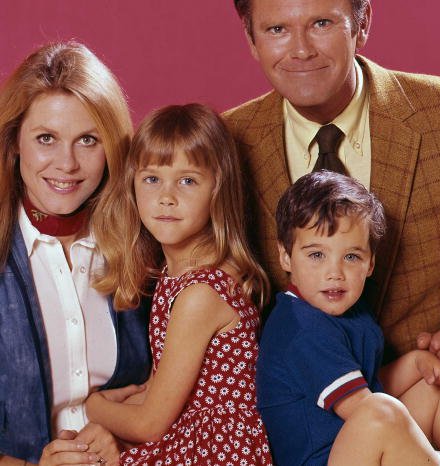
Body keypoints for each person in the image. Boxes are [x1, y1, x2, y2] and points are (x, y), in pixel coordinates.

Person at [223, 0, 440, 375]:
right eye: (277, 29)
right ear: (251, 37)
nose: (300, 50)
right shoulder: (222, 145)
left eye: (322, 23)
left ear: (363, 22)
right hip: (296, 432)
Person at [85, 104, 273, 466]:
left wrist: (92, 405)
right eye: (152, 179)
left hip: (214, 451)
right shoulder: (176, 277)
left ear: (218, 188)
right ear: (133, 185)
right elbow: (160, 388)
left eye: (187, 180)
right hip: (188, 435)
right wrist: (129, 399)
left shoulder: (201, 293)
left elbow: (150, 425)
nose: (166, 196)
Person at [0, 42, 151, 466]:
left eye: (88, 140)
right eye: (46, 138)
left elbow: (180, 394)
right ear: (15, 144)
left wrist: (121, 435)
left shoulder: (146, 246)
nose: (66, 163)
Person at [257, 170, 440, 466]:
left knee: (432, 388)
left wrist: (417, 362)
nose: (335, 273)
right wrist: (436, 457)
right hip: (326, 459)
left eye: (351, 257)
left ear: (370, 263)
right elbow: (364, 409)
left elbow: (366, 383)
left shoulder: (349, 313)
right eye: (317, 255)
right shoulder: (300, 329)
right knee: (380, 410)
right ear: (285, 256)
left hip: (359, 444)